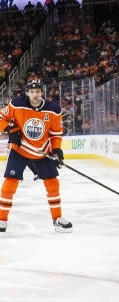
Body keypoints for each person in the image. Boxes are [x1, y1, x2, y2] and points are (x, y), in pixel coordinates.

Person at [0, 79, 70, 233]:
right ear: (27, 93)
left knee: (52, 184)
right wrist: (10, 129)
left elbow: (56, 134)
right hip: (19, 149)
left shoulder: (53, 109)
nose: (35, 94)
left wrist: (57, 150)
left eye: (38, 91)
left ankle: (57, 219)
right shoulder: (17, 103)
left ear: (41, 92)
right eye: (32, 92)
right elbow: (1, 118)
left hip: (42, 150)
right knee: (10, 183)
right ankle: (2, 220)